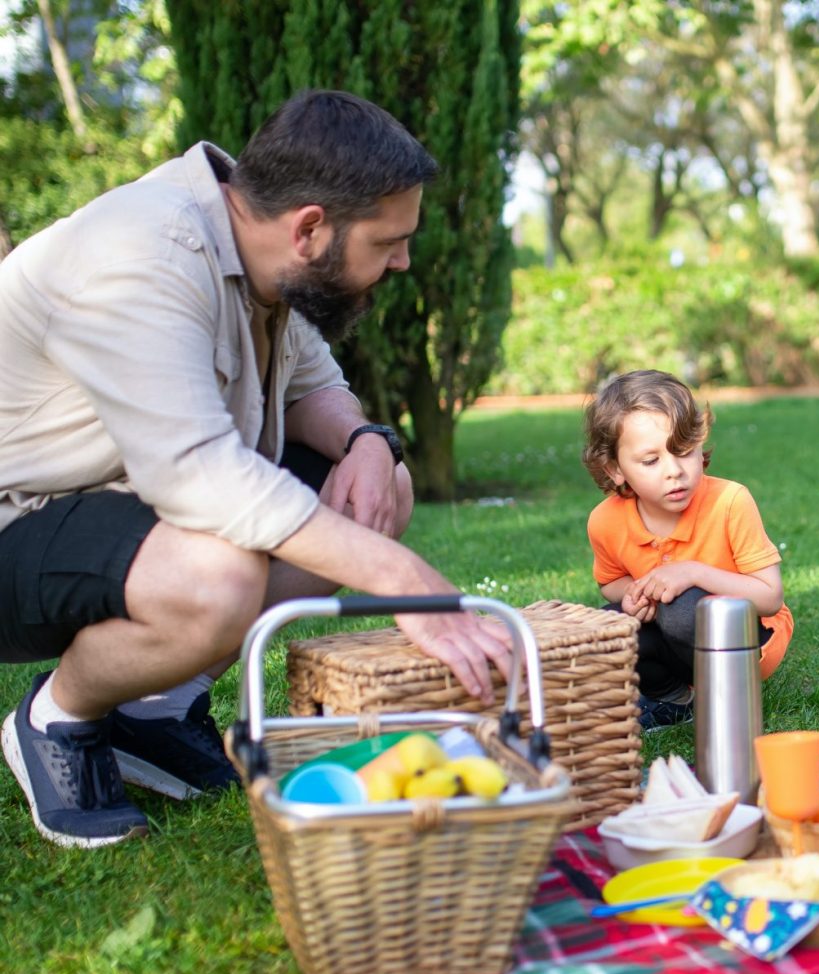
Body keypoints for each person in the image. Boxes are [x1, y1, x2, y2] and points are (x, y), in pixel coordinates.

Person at [0, 90, 511, 848]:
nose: (403, 259)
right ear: (311, 228)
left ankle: (157, 709)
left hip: (122, 509)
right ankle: (57, 719)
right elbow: (197, 476)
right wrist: (402, 578)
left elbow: (314, 391)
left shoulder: (255, 237)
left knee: (378, 488)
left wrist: (370, 441)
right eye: (388, 240)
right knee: (218, 575)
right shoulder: (143, 256)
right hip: (22, 518)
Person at [581, 370, 794, 730]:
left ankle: (727, 701)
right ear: (615, 469)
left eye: (683, 452)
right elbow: (611, 583)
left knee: (682, 607)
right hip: (674, 637)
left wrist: (692, 573)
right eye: (651, 461)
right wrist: (637, 594)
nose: (674, 471)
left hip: (747, 640)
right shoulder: (605, 521)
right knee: (610, 628)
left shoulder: (729, 501)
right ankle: (675, 698)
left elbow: (770, 597)